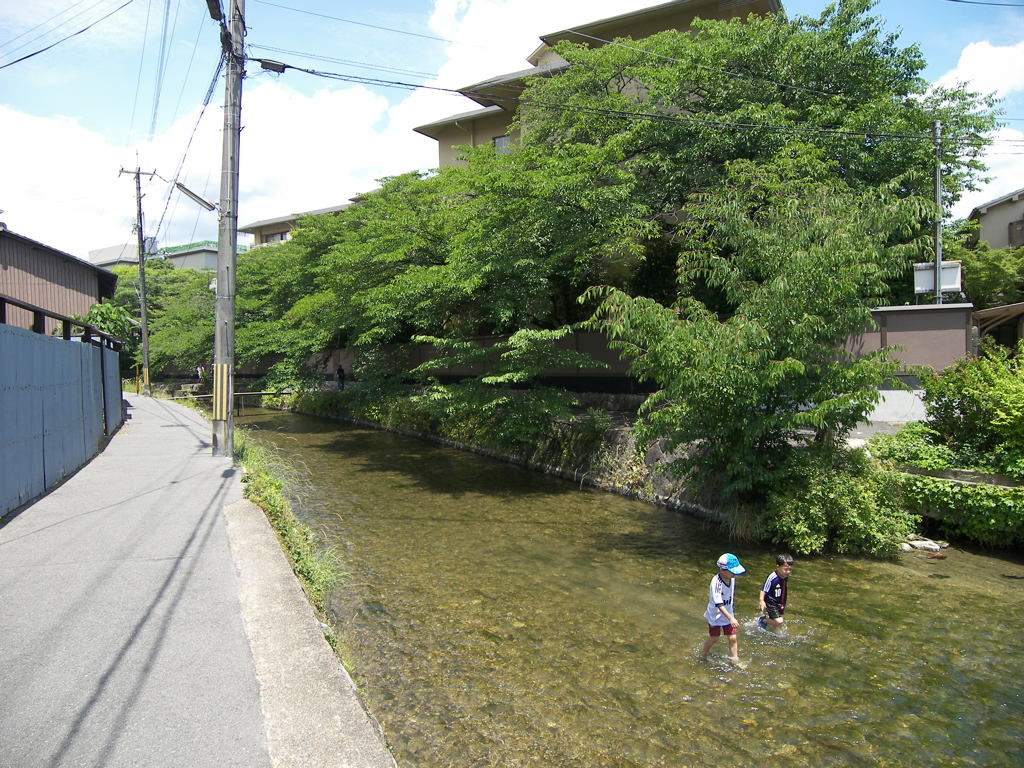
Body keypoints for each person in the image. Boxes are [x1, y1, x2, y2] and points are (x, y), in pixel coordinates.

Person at [700, 553, 745, 665]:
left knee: (732, 638)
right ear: (722, 570)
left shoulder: (732, 579)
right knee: (714, 638)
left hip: (728, 613)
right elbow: (719, 604)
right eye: (732, 572)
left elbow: (729, 596)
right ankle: (702, 654)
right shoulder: (716, 582)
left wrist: (731, 612)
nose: (735, 574)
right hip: (716, 614)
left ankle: (735, 660)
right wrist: (731, 618)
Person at [758, 554, 794, 633]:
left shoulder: (785, 576)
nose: (788, 572)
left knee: (778, 622)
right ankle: (763, 620)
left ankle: (777, 636)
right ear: (777, 567)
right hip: (771, 602)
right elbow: (763, 589)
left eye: (790, 569)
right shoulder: (772, 577)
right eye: (785, 569)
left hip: (780, 601)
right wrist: (761, 600)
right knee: (779, 621)